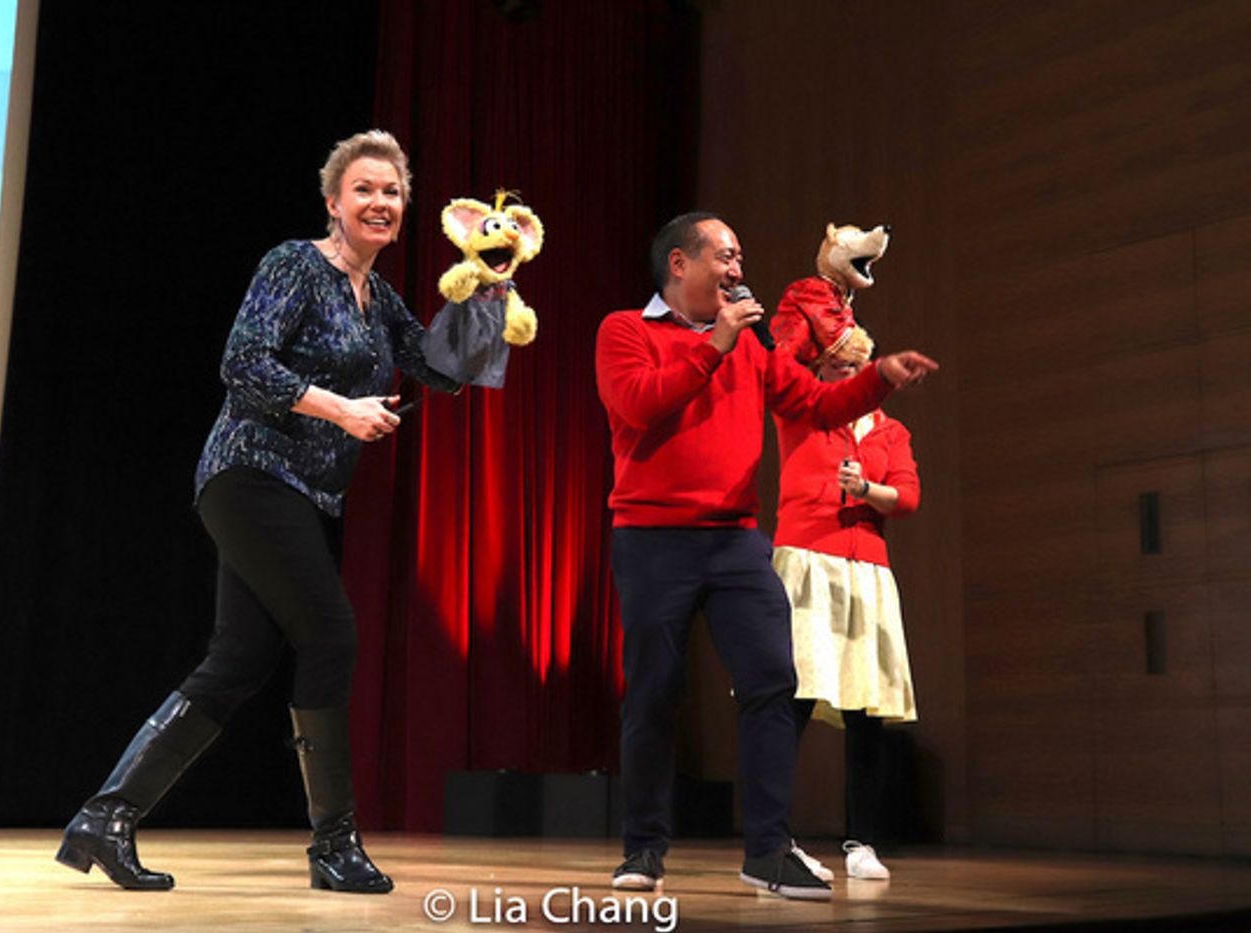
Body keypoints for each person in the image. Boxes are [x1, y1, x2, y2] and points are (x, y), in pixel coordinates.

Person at [56, 130, 493, 894]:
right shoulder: (296, 264)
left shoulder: (379, 298)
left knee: (239, 658)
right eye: (364, 189)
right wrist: (342, 409)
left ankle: (106, 816)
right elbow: (243, 362)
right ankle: (334, 843)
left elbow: (444, 372)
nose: (380, 202)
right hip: (250, 471)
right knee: (331, 633)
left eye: (392, 192)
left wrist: (488, 288)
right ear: (333, 203)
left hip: (294, 489)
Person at [594, 212, 936, 901]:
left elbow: (814, 404)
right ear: (680, 264)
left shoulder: (751, 346)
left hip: (735, 538)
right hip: (652, 536)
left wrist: (880, 378)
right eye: (725, 256)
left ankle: (768, 850)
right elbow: (637, 405)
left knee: (774, 681)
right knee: (654, 692)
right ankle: (644, 847)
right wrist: (714, 344)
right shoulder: (626, 330)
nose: (737, 269)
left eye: (739, 257)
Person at [771, 348, 919, 883]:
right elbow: (783, 355)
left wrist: (865, 490)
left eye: (854, 363)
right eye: (833, 362)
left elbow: (907, 496)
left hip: (867, 571)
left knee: (866, 707)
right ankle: (775, 837)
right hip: (807, 561)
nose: (843, 371)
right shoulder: (801, 412)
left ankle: (862, 842)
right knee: (793, 698)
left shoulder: (890, 432)